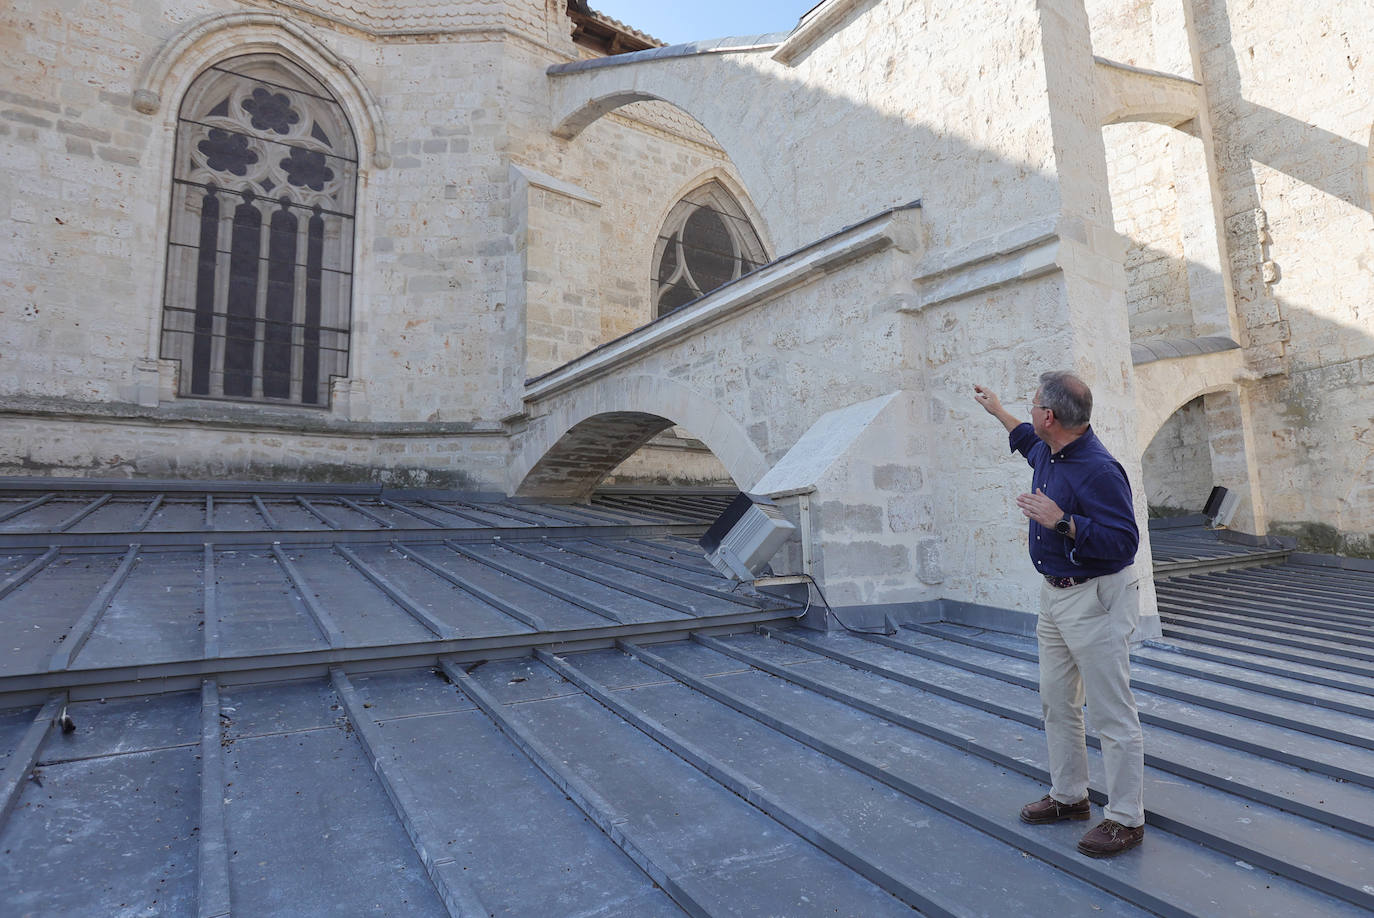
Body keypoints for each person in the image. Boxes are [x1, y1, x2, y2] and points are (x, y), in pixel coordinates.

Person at [972, 371, 1145, 858]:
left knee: (1112, 713)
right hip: (1056, 596)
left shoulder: (1099, 469)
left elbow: (1124, 542)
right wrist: (999, 410)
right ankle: (1071, 798)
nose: (1028, 414)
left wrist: (1061, 521)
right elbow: (1027, 442)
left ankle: (1127, 819)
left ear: (1050, 416)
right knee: (1057, 701)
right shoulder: (1051, 447)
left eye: (1031, 407)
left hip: (1097, 599)